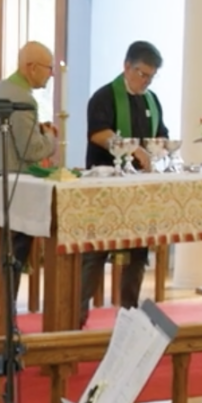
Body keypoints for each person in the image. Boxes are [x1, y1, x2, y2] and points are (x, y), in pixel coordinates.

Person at [80, 41, 167, 308]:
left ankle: (129, 314)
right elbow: (98, 133)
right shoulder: (104, 97)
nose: (146, 82)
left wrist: (159, 148)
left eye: (151, 77)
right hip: (105, 188)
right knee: (96, 252)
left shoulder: (151, 100)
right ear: (126, 66)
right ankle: (76, 315)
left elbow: (161, 133)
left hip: (138, 190)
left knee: (138, 254)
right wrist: (135, 149)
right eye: (142, 74)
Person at [0, 40, 62, 269]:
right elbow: (31, 151)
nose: (51, 74)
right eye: (49, 68)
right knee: (15, 252)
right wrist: (51, 138)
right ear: (32, 67)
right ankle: (8, 299)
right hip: (14, 184)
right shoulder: (23, 98)